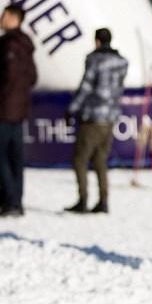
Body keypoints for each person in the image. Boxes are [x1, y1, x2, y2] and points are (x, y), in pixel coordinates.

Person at [64, 28, 129, 214]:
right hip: (110, 117)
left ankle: (83, 199)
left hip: (92, 116)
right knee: (101, 160)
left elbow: (86, 87)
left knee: (80, 159)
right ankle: (103, 200)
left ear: (97, 41)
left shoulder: (94, 60)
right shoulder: (121, 62)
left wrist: (72, 109)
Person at [0, 4, 37, 217]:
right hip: (18, 108)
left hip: (6, 108)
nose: (0, 18)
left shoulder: (10, 46)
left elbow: (8, 77)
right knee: (15, 156)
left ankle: (12, 200)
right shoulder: (24, 45)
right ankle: (15, 200)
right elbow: (32, 77)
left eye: (4, 15)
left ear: (14, 18)